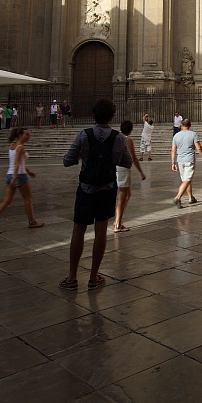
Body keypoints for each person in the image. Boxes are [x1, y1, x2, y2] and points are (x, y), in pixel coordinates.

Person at [61, 99, 133, 289]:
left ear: (94, 115)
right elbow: (127, 163)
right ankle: (93, 277)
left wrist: (84, 158)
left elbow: (67, 161)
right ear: (112, 116)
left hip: (86, 188)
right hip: (107, 189)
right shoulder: (119, 138)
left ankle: (72, 277)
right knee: (101, 231)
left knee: (79, 229)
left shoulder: (84, 135)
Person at [0, 127, 44, 233]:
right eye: (26, 134)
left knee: (5, 201)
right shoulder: (20, 147)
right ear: (20, 135)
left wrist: (28, 172)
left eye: (29, 134)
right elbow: (17, 163)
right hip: (19, 175)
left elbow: (18, 162)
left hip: (10, 174)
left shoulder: (12, 146)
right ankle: (32, 221)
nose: (28, 136)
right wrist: (16, 177)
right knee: (28, 199)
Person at [113, 119, 147, 232]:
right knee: (122, 197)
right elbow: (134, 157)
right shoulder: (127, 140)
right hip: (123, 170)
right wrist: (141, 172)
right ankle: (117, 224)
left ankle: (118, 219)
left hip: (120, 169)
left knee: (127, 195)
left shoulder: (117, 137)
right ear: (130, 130)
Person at [171, 118, 202, 207]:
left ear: (181, 125)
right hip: (189, 160)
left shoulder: (176, 135)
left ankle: (191, 197)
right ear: (190, 125)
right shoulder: (193, 134)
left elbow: (173, 150)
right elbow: (199, 148)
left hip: (180, 161)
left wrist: (173, 163)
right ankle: (178, 197)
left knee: (186, 180)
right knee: (187, 180)